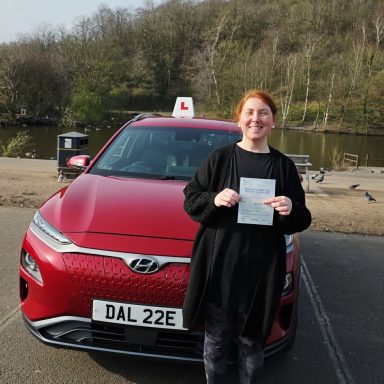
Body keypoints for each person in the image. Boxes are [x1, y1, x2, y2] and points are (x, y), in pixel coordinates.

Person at [182, 89, 312, 383]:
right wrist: (214, 199)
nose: (256, 119)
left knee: (253, 343)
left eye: (264, 113)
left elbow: (303, 218)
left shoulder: (283, 166)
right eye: (250, 112)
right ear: (238, 120)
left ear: (273, 121)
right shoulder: (220, 158)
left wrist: (290, 207)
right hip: (220, 269)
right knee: (215, 341)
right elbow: (190, 200)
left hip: (261, 274)